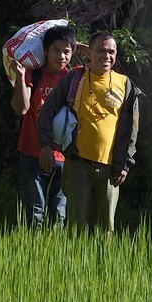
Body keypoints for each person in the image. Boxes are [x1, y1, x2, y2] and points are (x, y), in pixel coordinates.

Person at [37, 32, 142, 232]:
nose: (106, 56)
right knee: (76, 227)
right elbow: (47, 110)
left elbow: (131, 130)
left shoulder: (125, 84)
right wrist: (45, 145)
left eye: (111, 51)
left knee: (106, 230)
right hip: (77, 164)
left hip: (111, 168)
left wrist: (126, 164)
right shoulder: (74, 79)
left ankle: (105, 264)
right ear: (90, 53)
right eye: (101, 50)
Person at [9, 23, 79, 226]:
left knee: (59, 211)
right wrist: (21, 78)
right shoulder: (34, 74)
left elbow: (97, 56)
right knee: (35, 211)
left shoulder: (74, 78)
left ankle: (53, 254)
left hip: (64, 155)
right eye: (56, 50)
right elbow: (21, 109)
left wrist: (75, 43)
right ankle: (33, 253)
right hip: (32, 151)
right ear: (45, 51)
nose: (61, 56)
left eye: (66, 52)